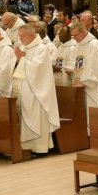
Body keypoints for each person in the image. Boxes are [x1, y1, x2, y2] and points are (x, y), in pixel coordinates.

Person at [12, 23, 60, 155]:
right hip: (24, 90)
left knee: (35, 118)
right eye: (19, 36)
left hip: (37, 92)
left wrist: (21, 58)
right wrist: (18, 59)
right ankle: (25, 147)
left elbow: (38, 70)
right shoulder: (23, 47)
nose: (20, 39)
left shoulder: (41, 48)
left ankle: (39, 148)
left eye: (23, 36)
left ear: (32, 35)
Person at [68, 21, 98, 114]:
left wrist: (85, 81)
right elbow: (75, 62)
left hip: (91, 86)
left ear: (83, 32)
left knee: (91, 113)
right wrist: (70, 69)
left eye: (75, 35)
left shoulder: (94, 44)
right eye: (72, 36)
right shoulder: (78, 44)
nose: (74, 38)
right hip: (79, 85)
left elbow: (95, 66)